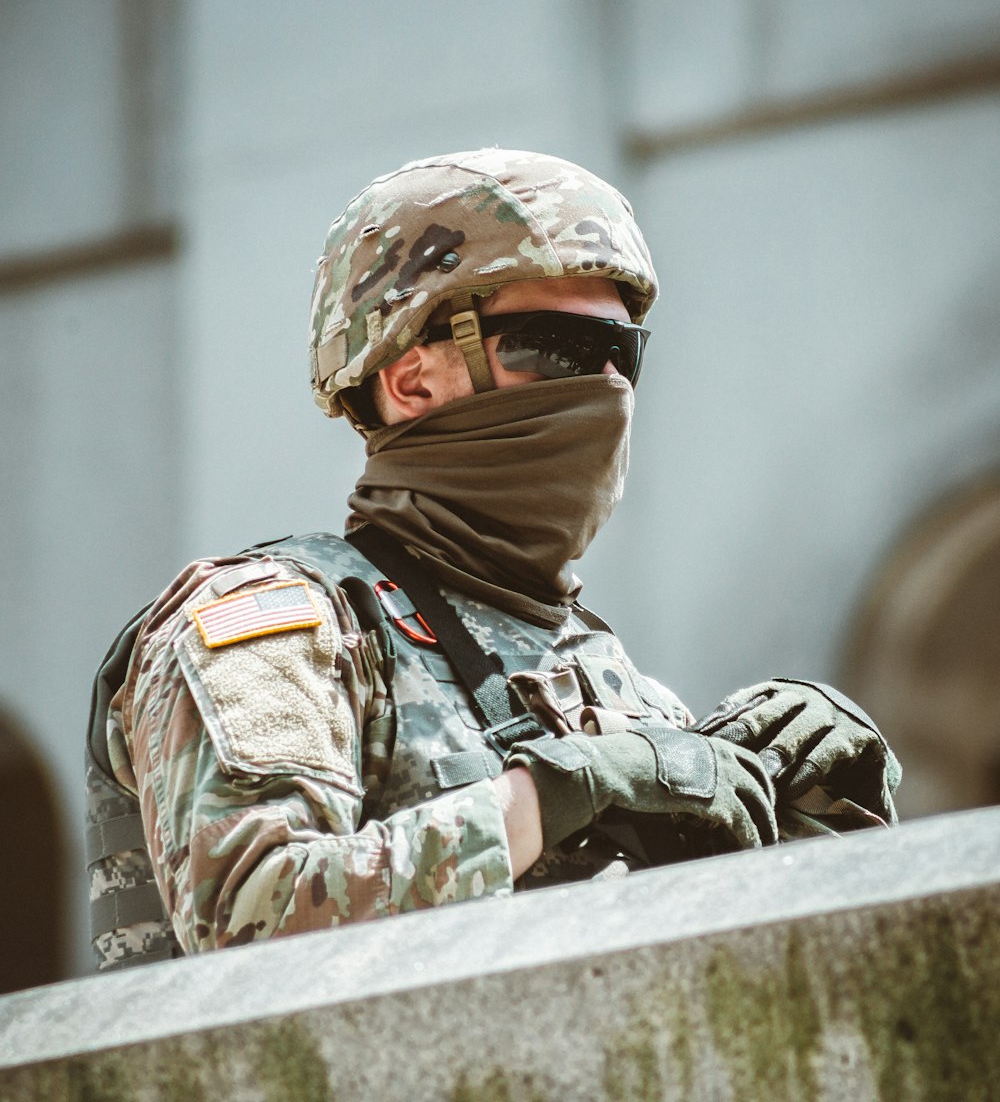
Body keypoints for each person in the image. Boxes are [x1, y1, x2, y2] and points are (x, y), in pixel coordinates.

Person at [87, 148, 900, 967]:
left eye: (624, 351)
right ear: (410, 381)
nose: (608, 387)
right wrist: (552, 794)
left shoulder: (617, 683)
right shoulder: (280, 620)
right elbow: (251, 915)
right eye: (555, 347)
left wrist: (817, 817)